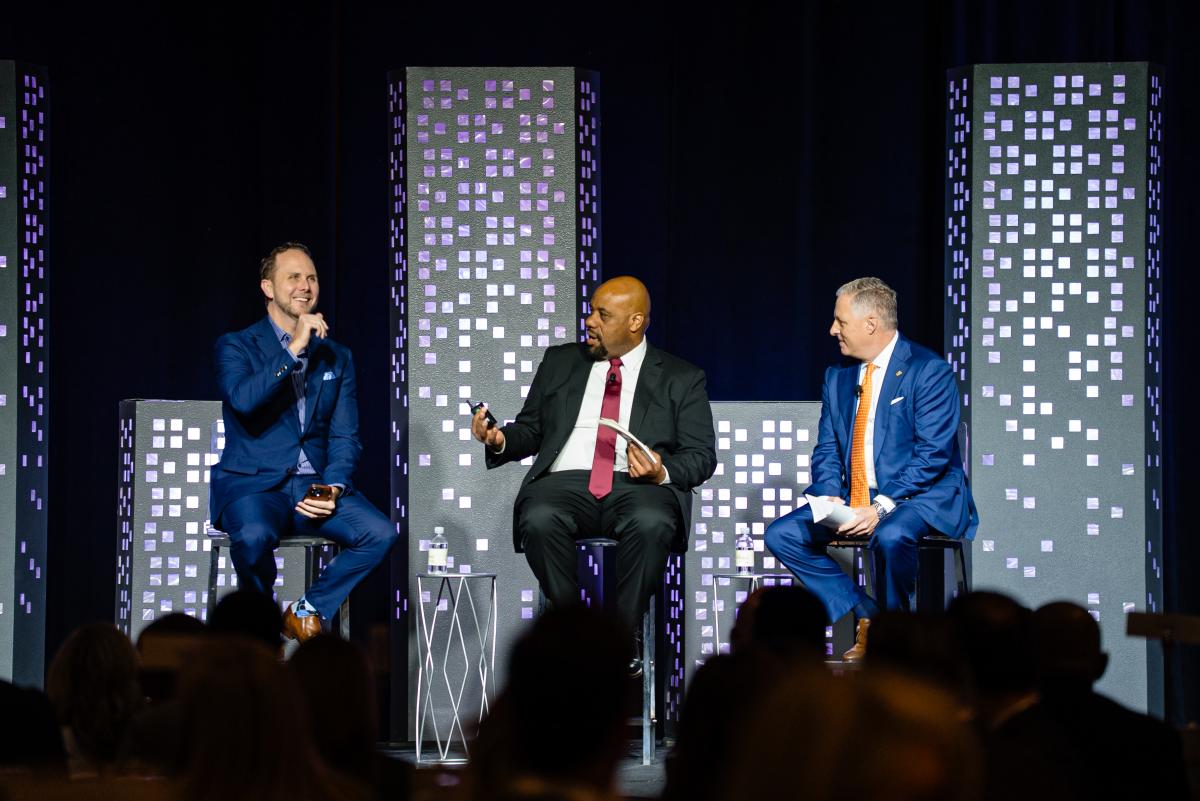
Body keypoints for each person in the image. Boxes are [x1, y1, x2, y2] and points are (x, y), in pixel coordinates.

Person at [471, 276, 717, 632]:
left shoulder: (682, 377)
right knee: (538, 517)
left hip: (639, 486)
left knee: (653, 522)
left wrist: (661, 471)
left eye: (603, 315)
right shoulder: (560, 362)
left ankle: (621, 634)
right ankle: (578, 633)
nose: (590, 321)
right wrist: (498, 439)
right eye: (591, 312)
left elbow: (701, 456)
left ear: (635, 322)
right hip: (564, 483)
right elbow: (530, 432)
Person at [765, 277, 978, 661]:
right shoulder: (838, 377)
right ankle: (874, 618)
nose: (833, 330)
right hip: (856, 497)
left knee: (892, 536)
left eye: (840, 322)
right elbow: (828, 447)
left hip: (921, 496)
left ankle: (893, 643)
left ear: (870, 324)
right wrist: (828, 493)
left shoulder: (928, 372)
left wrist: (880, 507)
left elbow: (933, 455)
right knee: (782, 535)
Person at [210, 242, 396, 643]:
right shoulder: (236, 345)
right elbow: (243, 399)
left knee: (380, 533)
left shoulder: (337, 356)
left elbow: (345, 436)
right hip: (254, 485)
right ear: (267, 287)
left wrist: (334, 486)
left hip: (312, 488)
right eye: (293, 277)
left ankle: (305, 610)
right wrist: (294, 346)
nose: (305, 286)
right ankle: (262, 634)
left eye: (311, 277)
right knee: (254, 536)